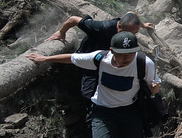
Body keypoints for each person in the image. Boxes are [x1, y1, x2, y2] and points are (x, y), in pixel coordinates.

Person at [27, 31, 161, 138]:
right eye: (122, 53)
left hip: (130, 111)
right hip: (103, 111)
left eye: (131, 53)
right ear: (112, 51)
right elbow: (73, 58)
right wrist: (45, 58)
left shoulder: (144, 63)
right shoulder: (101, 59)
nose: (127, 58)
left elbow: (153, 85)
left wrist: (155, 90)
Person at [48, 12, 154, 100]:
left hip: (109, 61)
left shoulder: (128, 25)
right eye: (128, 32)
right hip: (91, 59)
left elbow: (131, 13)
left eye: (134, 33)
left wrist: (143, 25)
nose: (130, 36)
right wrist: (61, 32)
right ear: (119, 26)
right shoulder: (101, 28)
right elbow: (73, 19)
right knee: (88, 93)